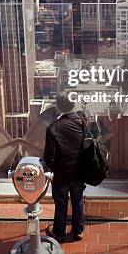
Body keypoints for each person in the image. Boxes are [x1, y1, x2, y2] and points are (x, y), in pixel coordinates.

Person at [43, 90, 86, 242]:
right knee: (78, 200)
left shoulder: (53, 128)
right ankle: (78, 230)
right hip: (78, 171)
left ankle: (59, 233)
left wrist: (50, 167)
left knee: (61, 203)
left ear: (58, 107)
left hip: (61, 174)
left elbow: (49, 157)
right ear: (73, 105)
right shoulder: (81, 121)